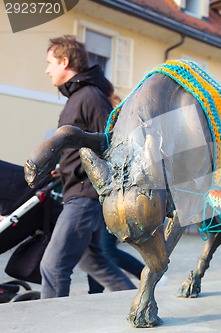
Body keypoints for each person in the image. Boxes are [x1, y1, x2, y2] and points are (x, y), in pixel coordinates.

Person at [40, 35, 135, 298]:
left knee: (53, 265)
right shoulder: (79, 96)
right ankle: (132, 303)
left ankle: (52, 324)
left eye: (50, 63)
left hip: (85, 195)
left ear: (65, 61)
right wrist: (63, 167)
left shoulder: (89, 96)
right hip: (79, 191)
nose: (47, 69)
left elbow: (110, 143)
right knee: (93, 262)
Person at [86, 93, 146, 294]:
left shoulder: (122, 134)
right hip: (96, 197)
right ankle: (94, 293)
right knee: (95, 250)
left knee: (106, 250)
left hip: (112, 197)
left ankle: (145, 274)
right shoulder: (105, 129)